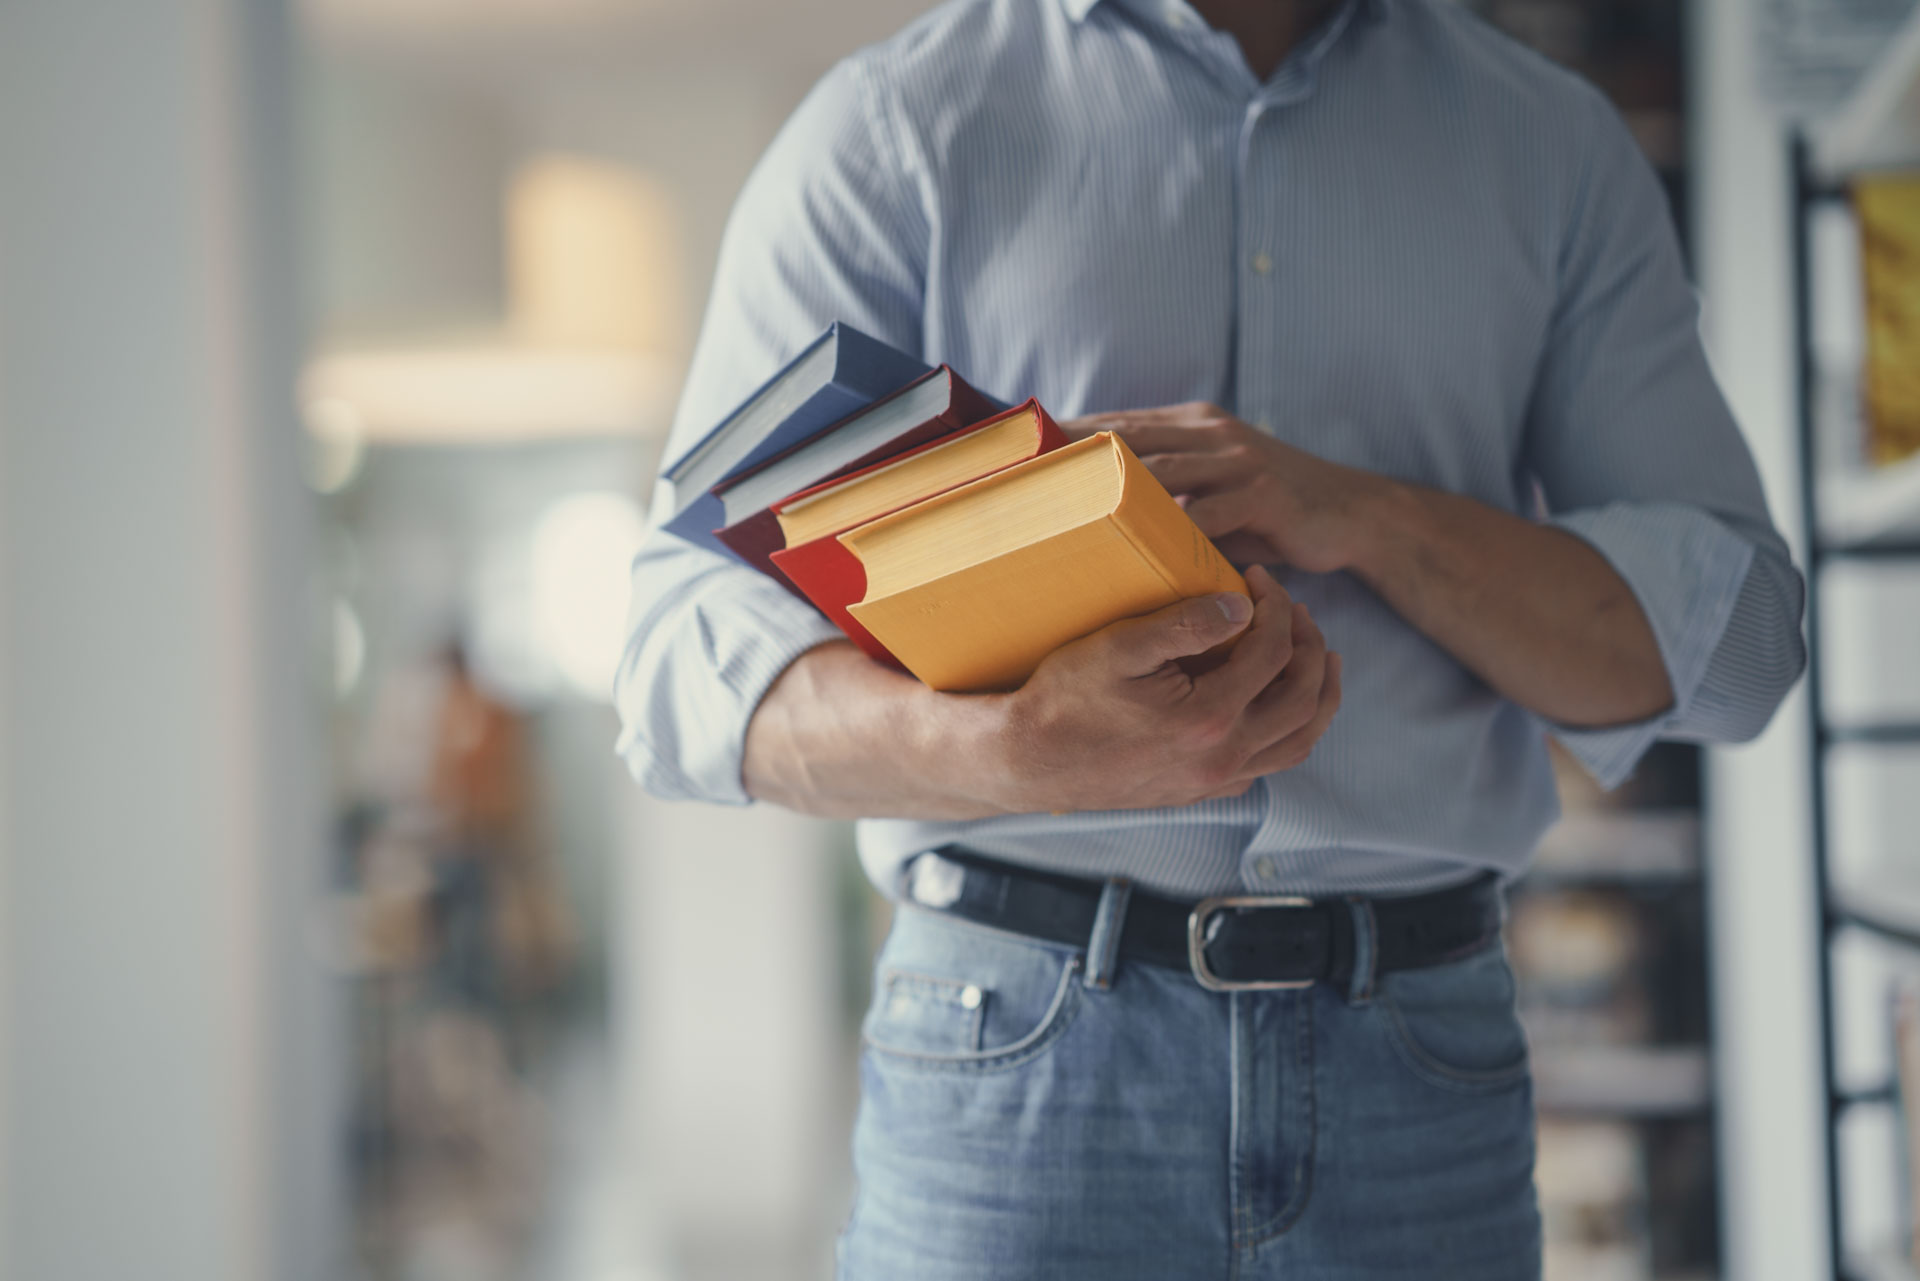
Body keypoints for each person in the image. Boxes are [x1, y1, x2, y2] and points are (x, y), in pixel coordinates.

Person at [614, 0, 1806, 1276]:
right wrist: (1015, 750)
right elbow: (680, 664)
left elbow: (1737, 652)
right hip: (1018, 1068)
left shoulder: (1551, 145)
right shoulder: (893, 129)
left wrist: (1367, 514)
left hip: (1420, 1074)